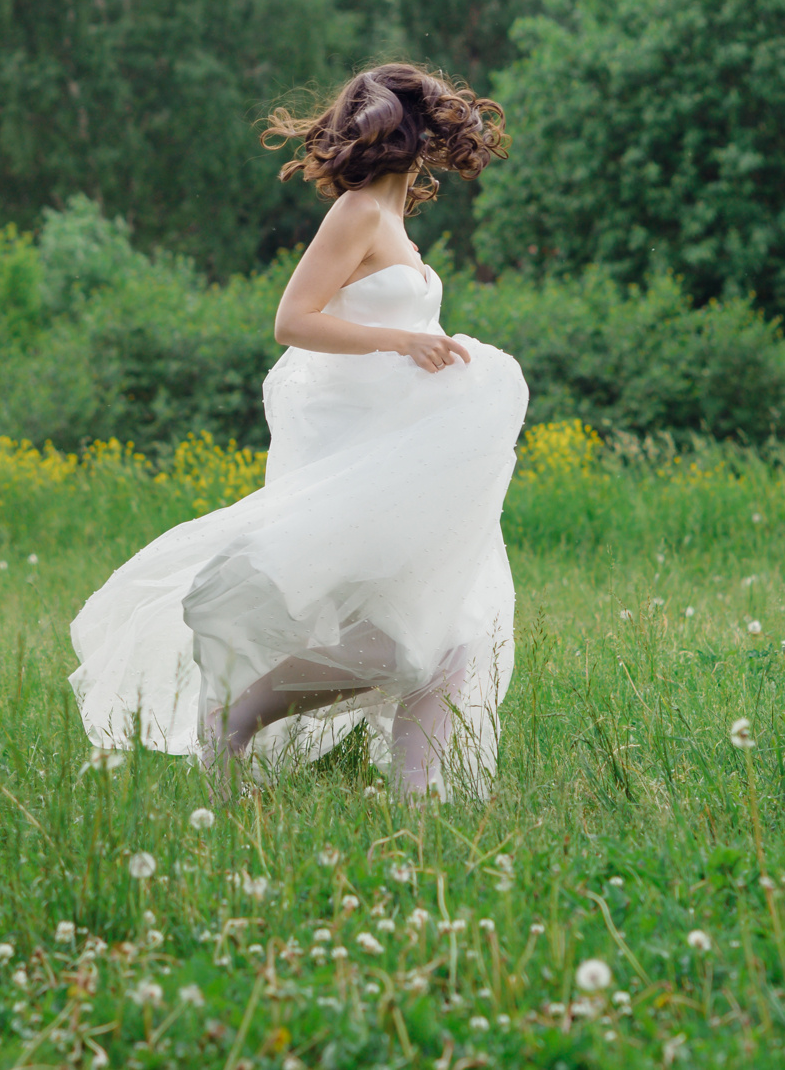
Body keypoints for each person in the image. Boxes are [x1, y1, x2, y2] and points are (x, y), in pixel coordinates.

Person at [68, 64, 527, 799]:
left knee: (454, 632)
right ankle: (239, 717)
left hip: (404, 442)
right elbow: (293, 321)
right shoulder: (357, 214)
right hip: (365, 451)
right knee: (409, 644)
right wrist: (401, 345)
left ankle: (428, 816)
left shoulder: (396, 220)